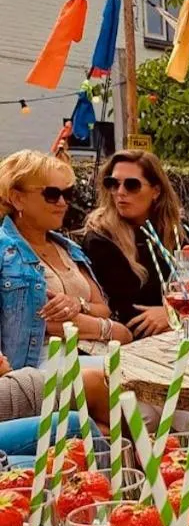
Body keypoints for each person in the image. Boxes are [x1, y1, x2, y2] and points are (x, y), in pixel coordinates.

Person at [0, 150, 130, 369]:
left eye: (67, 194)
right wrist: (108, 329)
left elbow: (102, 307)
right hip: (38, 364)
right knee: (123, 380)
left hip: (92, 353)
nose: (63, 203)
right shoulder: (3, 252)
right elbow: (45, 322)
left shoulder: (68, 248)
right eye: (51, 194)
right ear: (17, 198)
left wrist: (77, 305)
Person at [83, 150, 189, 339]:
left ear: (156, 191)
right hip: (141, 346)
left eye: (132, 185)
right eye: (113, 184)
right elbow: (124, 312)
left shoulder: (178, 232)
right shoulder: (101, 239)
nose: (120, 192)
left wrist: (172, 312)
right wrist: (183, 310)